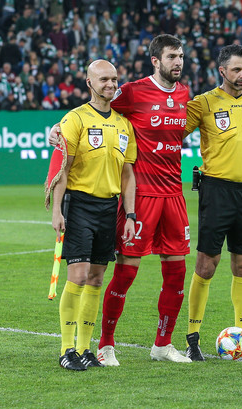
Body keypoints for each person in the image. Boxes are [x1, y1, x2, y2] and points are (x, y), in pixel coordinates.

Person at [49, 35, 192, 365]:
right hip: (140, 197)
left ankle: (162, 345)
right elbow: (91, 112)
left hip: (173, 195)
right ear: (155, 60)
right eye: (172, 56)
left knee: (176, 273)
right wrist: (55, 127)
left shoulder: (184, 95)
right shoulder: (132, 92)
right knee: (121, 274)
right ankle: (102, 344)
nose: (178, 62)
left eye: (181, 56)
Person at [184, 44, 242, 361]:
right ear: (222, 71)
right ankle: (192, 337)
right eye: (236, 69)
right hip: (216, 190)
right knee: (207, 265)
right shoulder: (204, 103)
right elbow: (171, 131)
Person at [49, 59, 136, 370]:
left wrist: (130, 214)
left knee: (97, 279)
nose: (110, 84)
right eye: (103, 79)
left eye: (114, 79)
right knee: (78, 276)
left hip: (108, 207)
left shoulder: (124, 124)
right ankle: (66, 351)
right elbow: (63, 169)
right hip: (80, 204)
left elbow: (128, 175)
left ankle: (86, 350)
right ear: (89, 83)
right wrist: (57, 210)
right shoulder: (74, 119)